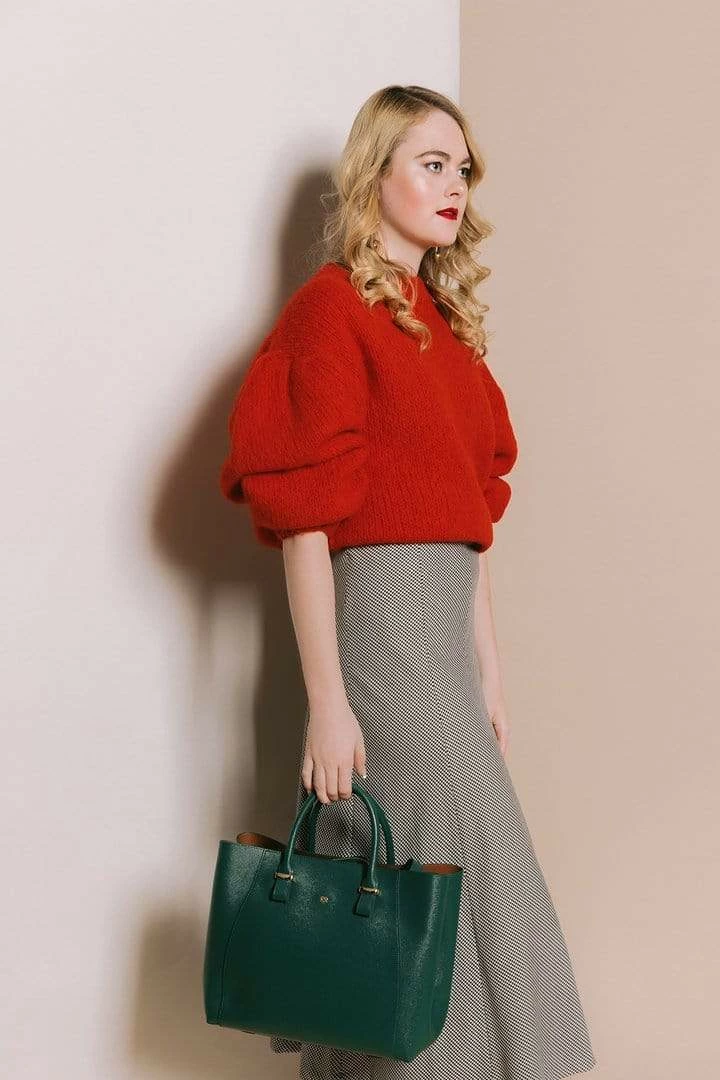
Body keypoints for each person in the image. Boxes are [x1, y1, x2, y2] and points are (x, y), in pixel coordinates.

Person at [219, 84, 596, 1080]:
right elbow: (305, 525)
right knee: (449, 863)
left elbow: (471, 522)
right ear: (373, 173)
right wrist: (328, 702)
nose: (454, 185)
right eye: (431, 164)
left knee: (410, 871)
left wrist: (490, 671)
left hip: (447, 636)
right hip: (379, 631)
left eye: (462, 169)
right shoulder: (330, 310)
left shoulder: (449, 331)